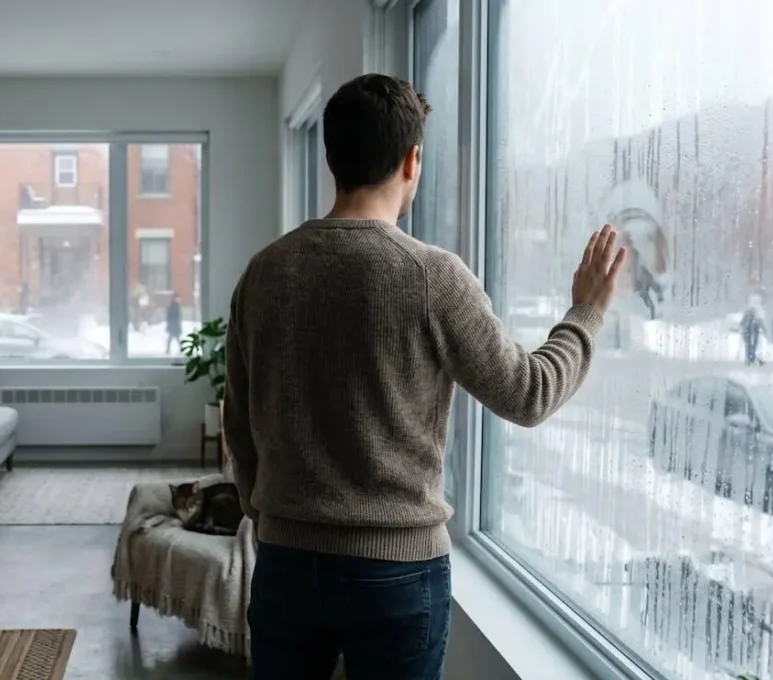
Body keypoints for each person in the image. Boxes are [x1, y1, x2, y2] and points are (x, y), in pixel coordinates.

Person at [222, 74, 626, 680]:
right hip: (396, 574)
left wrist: (273, 517)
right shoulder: (433, 277)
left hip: (286, 563)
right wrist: (587, 312)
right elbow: (529, 393)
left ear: (330, 157)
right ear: (413, 160)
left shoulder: (264, 272)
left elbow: (239, 421)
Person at [740, 295, 767, 366]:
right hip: (752, 331)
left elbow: (743, 322)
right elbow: (759, 322)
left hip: (750, 331)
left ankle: (750, 358)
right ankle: (751, 358)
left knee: (750, 345)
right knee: (752, 345)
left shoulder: (749, 311)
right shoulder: (756, 311)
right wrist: (763, 329)